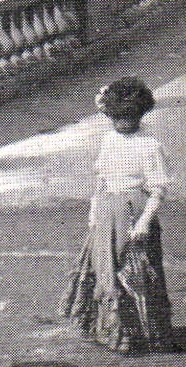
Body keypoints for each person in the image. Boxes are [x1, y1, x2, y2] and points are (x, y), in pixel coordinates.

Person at [61, 77, 177, 353]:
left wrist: (144, 222)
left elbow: (157, 191)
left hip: (133, 213)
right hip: (106, 213)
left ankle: (144, 333)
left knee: (135, 272)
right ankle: (115, 331)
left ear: (140, 114)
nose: (123, 123)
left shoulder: (150, 146)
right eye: (118, 117)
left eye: (129, 116)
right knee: (105, 272)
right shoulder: (109, 140)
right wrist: (93, 214)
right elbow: (101, 180)